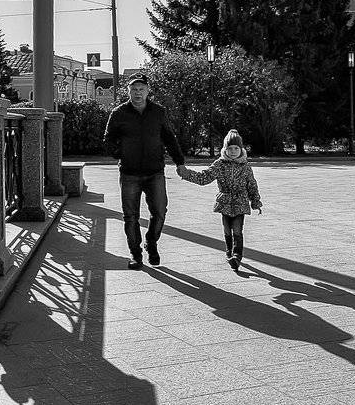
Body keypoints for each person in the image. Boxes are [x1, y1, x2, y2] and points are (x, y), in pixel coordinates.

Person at [102, 75, 185, 269]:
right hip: (129, 173)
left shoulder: (158, 112)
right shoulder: (119, 113)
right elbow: (108, 139)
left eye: (141, 89)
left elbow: (169, 138)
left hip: (155, 171)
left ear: (148, 91)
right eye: (134, 89)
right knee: (130, 216)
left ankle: (151, 242)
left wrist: (179, 162)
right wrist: (120, 154)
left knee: (160, 211)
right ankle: (135, 254)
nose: (137, 93)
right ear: (128, 91)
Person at [176, 129, 262, 270]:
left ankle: (237, 256)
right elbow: (204, 178)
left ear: (241, 150)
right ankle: (229, 252)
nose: (233, 151)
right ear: (225, 149)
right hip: (225, 202)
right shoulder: (219, 164)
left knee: (237, 231)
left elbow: (252, 184)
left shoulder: (245, 166)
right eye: (230, 148)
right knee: (227, 231)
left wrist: (256, 201)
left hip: (240, 202)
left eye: (236, 148)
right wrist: (187, 174)